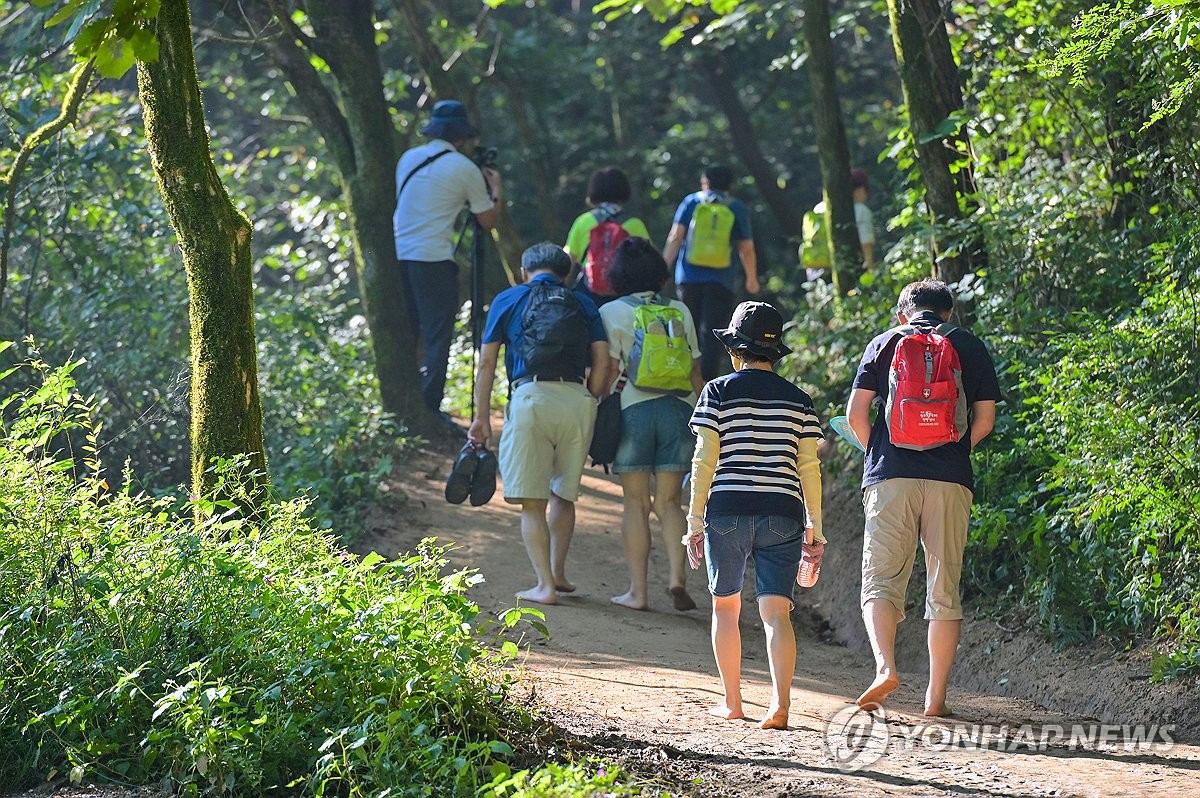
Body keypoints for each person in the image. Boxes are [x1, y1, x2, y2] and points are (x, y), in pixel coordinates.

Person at [845, 279, 1001, 717]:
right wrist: (954, 452)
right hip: (951, 479)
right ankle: (935, 700)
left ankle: (884, 668)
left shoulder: (884, 343)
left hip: (890, 476)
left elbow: (857, 415)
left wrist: (877, 452)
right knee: (944, 586)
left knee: (880, 579)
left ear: (902, 314)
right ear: (949, 313)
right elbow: (984, 420)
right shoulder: (967, 344)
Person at [684, 301, 824, 730]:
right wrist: (814, 524)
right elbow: (809, 469)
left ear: (736, 349)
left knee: (725, 609)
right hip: (783, 512)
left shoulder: (718, 391)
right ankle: (780, 706)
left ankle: (733, 703)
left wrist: (693, 520)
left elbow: (704, 460)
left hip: (727, 509)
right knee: (776, 614)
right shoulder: (799, 400)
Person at [468, 243, 610, 606]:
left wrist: (482, 418)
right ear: (566, 274)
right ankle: (558, 572)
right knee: (564, 493)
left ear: (523, 271)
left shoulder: (509, 298)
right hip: (576, 400)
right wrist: (591, 396)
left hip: (530, 397)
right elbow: (603, 359)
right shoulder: (583, 302)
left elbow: (486, 364)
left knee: (533, 502)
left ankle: (545, 585)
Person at [598, 237, 705, 612]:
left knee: (636, 501)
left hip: (634, 410)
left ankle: (638, 593)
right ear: (659, 274)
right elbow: (694, 370)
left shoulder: (611, 312)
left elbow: (610, 367)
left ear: (618, 275)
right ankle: (678, 577)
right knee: (670, 501)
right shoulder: (679, 309)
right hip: (679, 411)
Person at [393, 100, 503, 426]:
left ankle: (406, 404)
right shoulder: (464, 168)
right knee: (438, 332)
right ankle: (430, 408)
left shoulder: (408, 158)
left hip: (399, 256)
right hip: (433, 259)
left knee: (411, 329)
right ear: (462, 136)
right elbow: (487, 221)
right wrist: (495, 187)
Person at [663, 163, 759, 383]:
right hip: (721, 280)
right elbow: (746, 247)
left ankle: (684, 379)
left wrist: (663, 268)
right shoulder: (736, 207)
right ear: (730, 186)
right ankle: (707, 384)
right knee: (713, 334)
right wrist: (751, 278)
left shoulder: (691, 201)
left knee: (689, 330)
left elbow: (675, 237)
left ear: (705, 182)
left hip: (688, 277)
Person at [563, 167, 652, 304]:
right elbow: (651, 262)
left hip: (589, 293)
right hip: (625, 296)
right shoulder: (634, 224)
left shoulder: (583, 221)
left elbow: (568, 259)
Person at [800, 167, 875, 282]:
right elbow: (866, 244)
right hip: (844, 272)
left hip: (815, 269)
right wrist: (871, 273)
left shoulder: (820, 208)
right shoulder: (861, 210)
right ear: (859, 189)